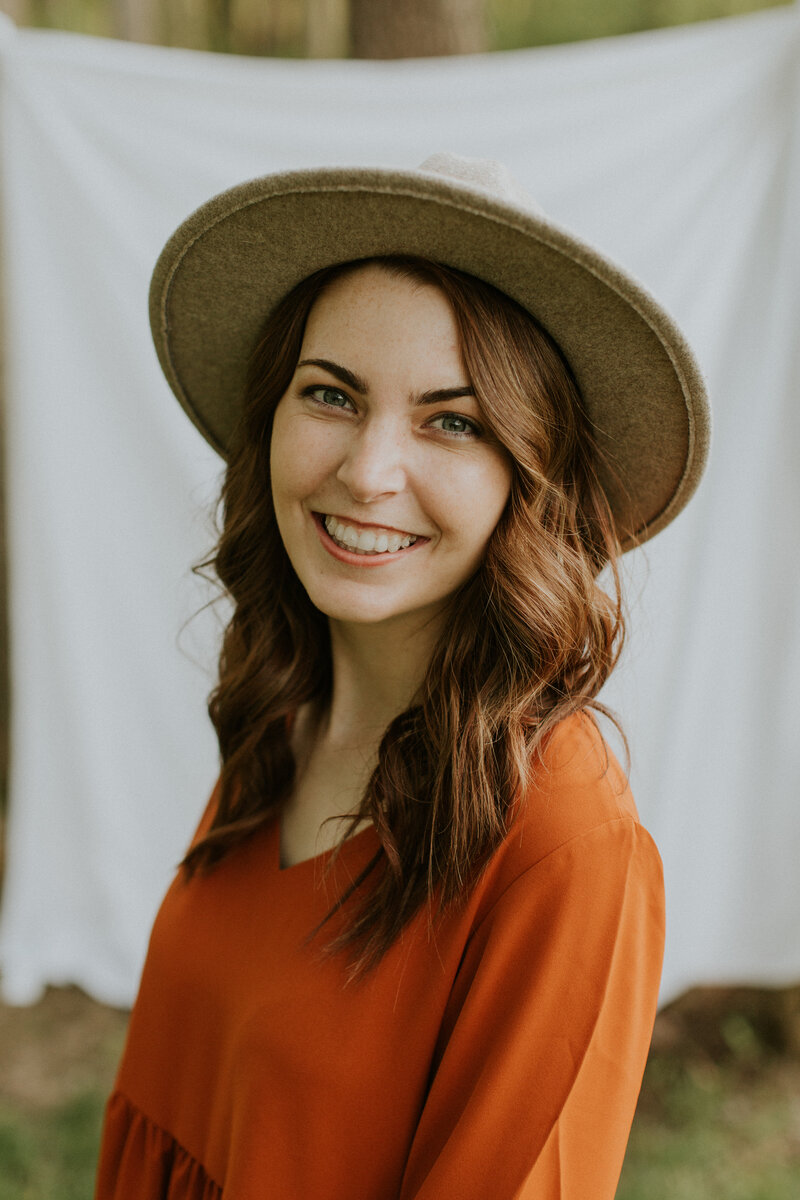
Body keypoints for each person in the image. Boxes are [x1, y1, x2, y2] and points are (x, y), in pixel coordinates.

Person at [95, 153, 709, 1199]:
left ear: (531, 478)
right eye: (330, 394)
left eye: (451, 421)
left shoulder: (561, 841)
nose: (369, 471)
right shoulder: (285, 712)